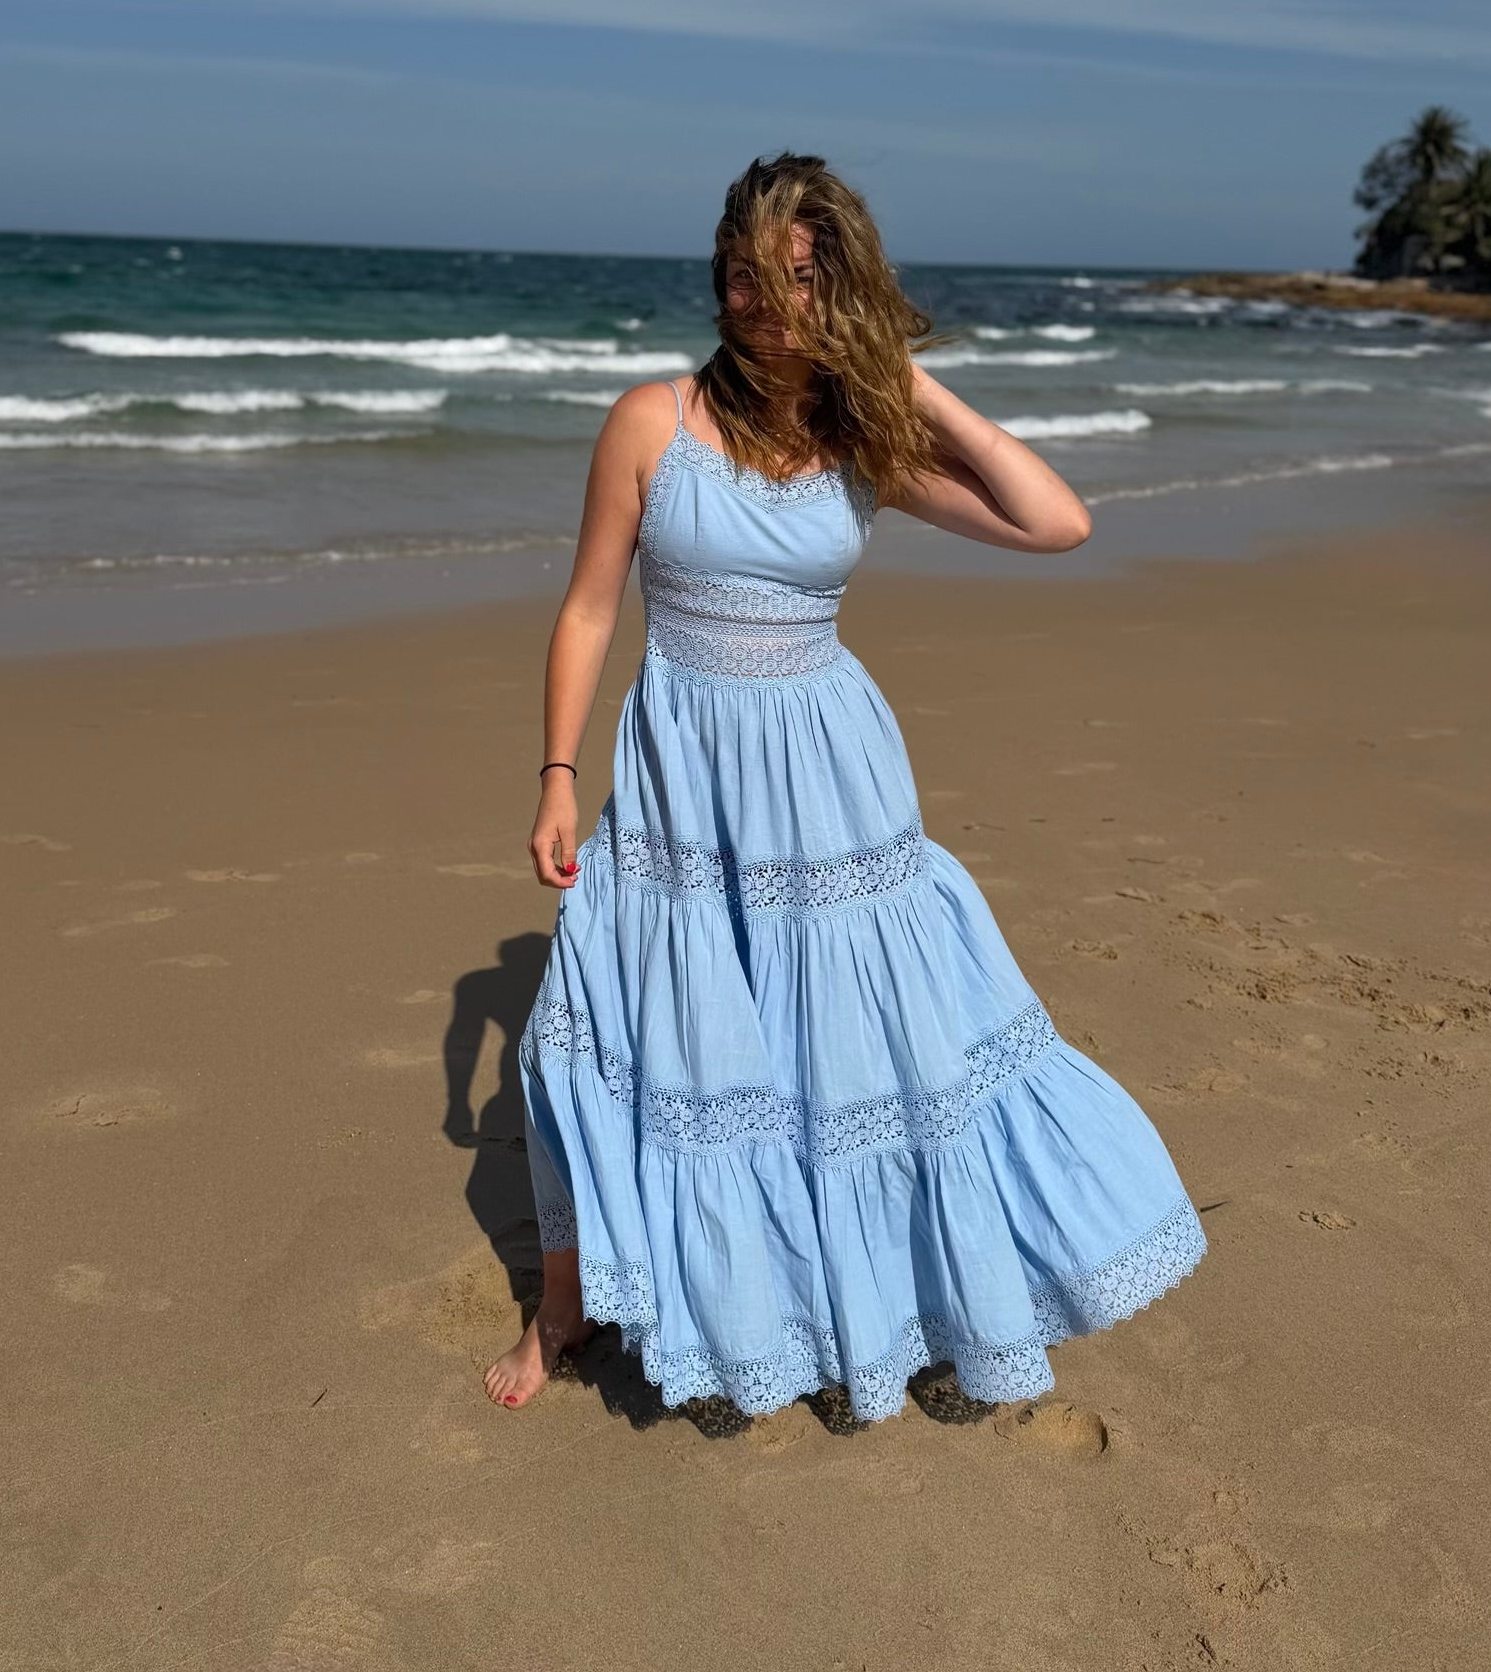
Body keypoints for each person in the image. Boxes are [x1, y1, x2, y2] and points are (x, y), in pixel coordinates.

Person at [484, 154, 1207, 1421]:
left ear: (842, 286)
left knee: (852, 1051)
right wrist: (556, 774)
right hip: (684, 785)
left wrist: (903, 380)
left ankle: (898, 1304)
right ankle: (595, 1309)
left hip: (830, 780)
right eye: (745, 276)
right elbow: (591, 608)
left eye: (801, 280)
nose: (766, 304)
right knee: (610, 1036)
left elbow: (1056, 522)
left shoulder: (859, 441)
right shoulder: (653, 421)